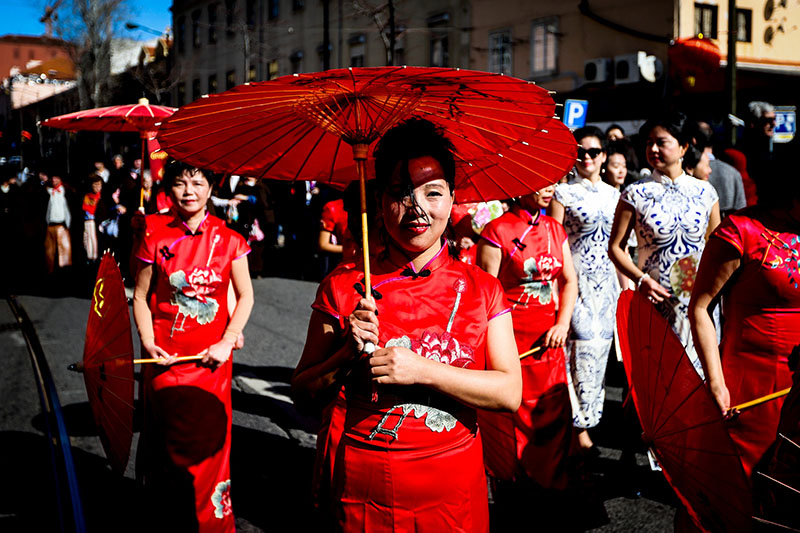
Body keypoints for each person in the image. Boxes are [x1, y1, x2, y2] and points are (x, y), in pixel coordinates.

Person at [291, 118, 521, 532]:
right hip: (364, 492)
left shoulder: (482, 288)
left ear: (453, 200)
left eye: (432, 193)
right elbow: (304, 396)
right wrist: (345, 353)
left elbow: (508, 393)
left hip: (455, 493)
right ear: (379, 202)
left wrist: (422, 370)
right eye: (400, 193)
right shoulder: (344, 287)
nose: (417, 208)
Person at [132, 159, 254, 531]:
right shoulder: (153, 232)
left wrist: (228, 340)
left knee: (211, 446)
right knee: (164, 442)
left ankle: (211, 523)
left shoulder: (231, 239)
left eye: (197, 183)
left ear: (211, 188)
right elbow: (139, 296)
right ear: (169, 188)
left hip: (212, 361)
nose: (189, 191)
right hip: (164, 358)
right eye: (181, 183)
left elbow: (246, 296)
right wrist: (148, 342)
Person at [688, 142, 797, 481]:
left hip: (798, 384)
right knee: (744, 483)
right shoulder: (741, 230)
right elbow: (701, 308)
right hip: (750, 384)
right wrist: (717, 382)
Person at [476, 184, 577, 505]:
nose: (550, 190)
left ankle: (554, 491)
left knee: (554, 415)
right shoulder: (497, 230)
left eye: (554, 184)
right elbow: (485, 296)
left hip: (550, 338)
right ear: (520, 188)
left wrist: (562, 322)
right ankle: (515, 491)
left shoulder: (555, 228)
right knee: (512, 415)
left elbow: (569, 280)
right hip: (512, 341)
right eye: (541, 184)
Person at [608, 111, 721, 377]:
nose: (653, 148)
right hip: (654, 301)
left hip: (699, 304)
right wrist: (641, 279)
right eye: (649, 143)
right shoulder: (634, 193)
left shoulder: (706, 192)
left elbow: (717, 246)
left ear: (683, 147)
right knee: (657, 384)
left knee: (699, 381)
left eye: (661, 142)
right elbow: (615, 247)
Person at [550, 125, 621, 451]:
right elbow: (553, 243)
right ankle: (577, 428)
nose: (587, 157)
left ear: (604, 156)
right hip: (575, 283)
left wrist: (626, 291)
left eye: (594, 152)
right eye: (580, 151)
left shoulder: (616, 194)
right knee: (577, 354)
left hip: (607, 287)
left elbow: (621, 248)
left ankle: (588, 423)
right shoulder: (564, 193)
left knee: (599, 358)